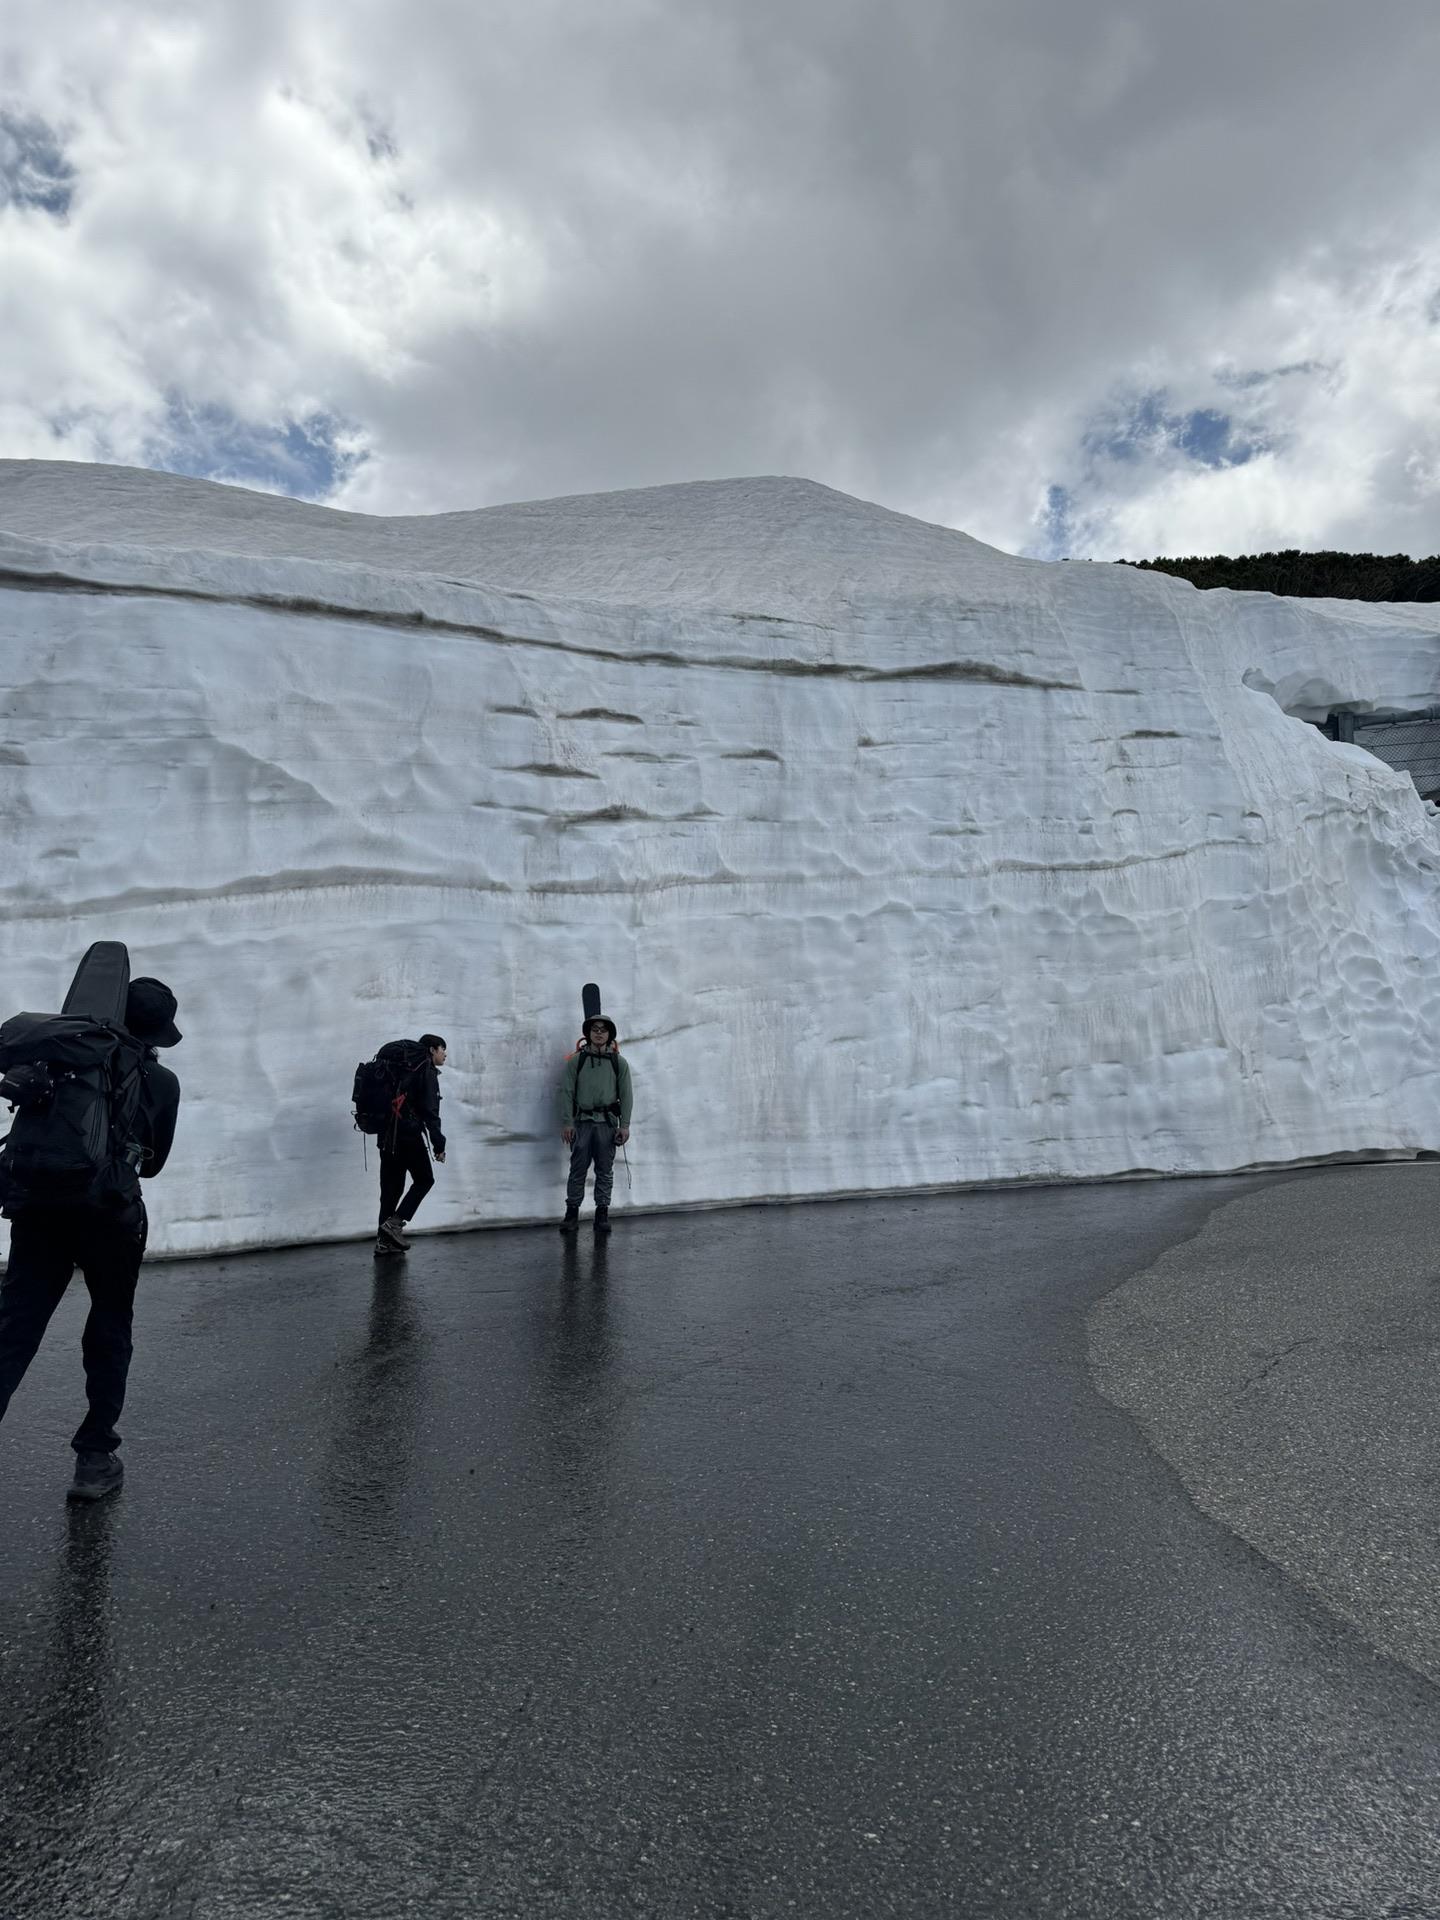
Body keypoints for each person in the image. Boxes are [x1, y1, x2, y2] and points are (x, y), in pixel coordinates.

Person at [0, 977, 182, 1502]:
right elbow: (155, 1162)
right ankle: (95, 1458)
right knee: (108, 1327)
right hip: (110, 1217)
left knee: (15, 1328)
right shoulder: (160, 1081)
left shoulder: (59, 1060)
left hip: (39, 1210)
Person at [558, 1016, 633, 1234]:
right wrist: (567, 1122)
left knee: (604, 1170)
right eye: (594, 1029)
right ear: (588, 1033)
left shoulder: (618, 1063)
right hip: (582, 1123)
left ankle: (602, 1214)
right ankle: (571, 1214)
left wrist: (624, 1125)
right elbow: (567, 1092)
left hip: (607, 1124)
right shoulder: (576, 1061)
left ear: (610, 1034)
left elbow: (626, 1095)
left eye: (603, 1030)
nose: (599, 1033)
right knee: (578, 1169)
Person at [376, 1034, 447, 1255]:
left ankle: (383, 1243)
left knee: (391, 1190)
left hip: (386, 1135)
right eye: (443, 1049)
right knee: (425, 1179)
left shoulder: (398, 1068)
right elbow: (430, 1111)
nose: (445, 1055)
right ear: (432, 1049)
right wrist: (439, 1144)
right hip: (408, 1136)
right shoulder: (424, 1069)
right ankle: (394, 1224)